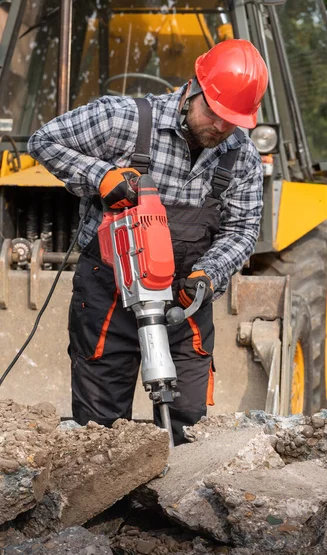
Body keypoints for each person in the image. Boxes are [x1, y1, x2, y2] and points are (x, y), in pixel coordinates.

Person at [28, 39, 268, 445]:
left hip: (184, 298)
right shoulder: (123, 119)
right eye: (214, 113)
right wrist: (101, 175)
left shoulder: (240, 156)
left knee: (189, 418)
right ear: (194, 87)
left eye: (232, 121)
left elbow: (243, 229)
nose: (221, 127)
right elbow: (43, 141)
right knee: (99, 427)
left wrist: (208, 275)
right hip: (109, 290)